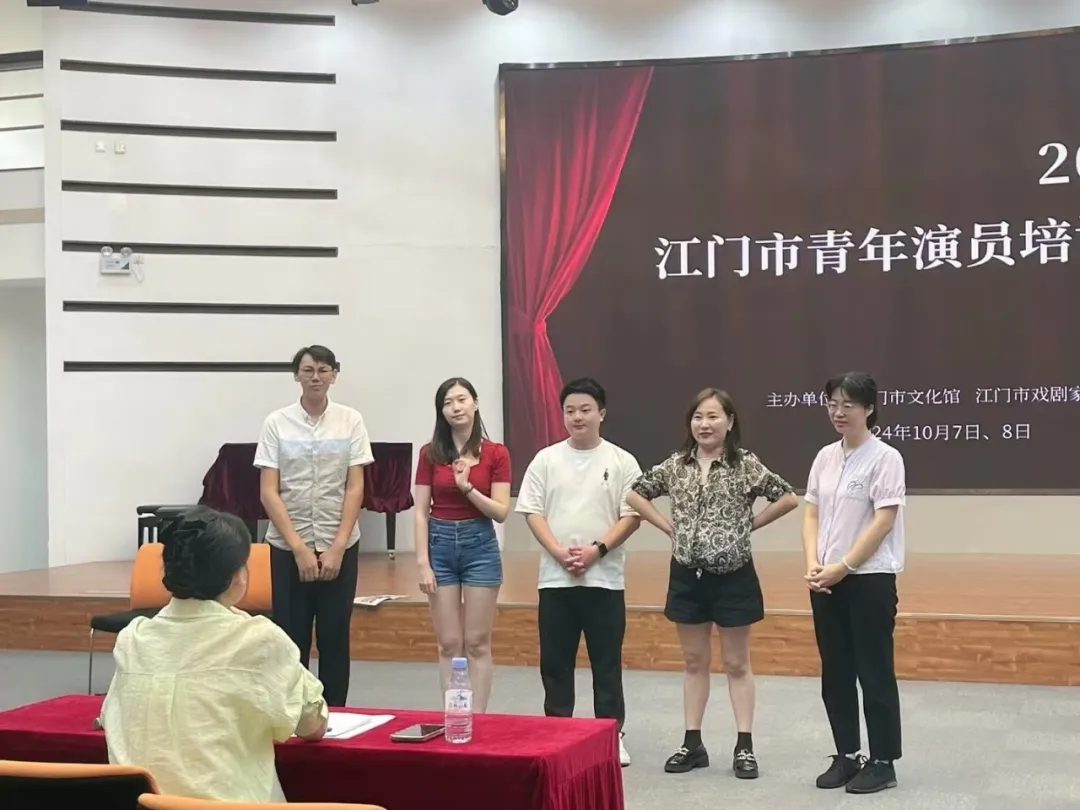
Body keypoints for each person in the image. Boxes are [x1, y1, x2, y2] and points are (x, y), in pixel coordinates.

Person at [101, 507, 328, 802]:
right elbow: (313, 724)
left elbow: (110, 717)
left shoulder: (134, 638)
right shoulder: (257, 639)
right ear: (236, 577)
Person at [627, 388, 797, 779]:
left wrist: (748, 526)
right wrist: (668, 527)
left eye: (713, 416)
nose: (704, 424)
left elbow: (787, 497)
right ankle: (692, 743)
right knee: (693, 662)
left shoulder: (745, 464)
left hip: (734, 577)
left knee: (736, 663)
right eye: (698, 417)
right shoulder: (677, 465)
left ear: (730, 422)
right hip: (687, 577)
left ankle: (744, 746)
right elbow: (636, 494)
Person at [516, 378, 642, 767]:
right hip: (556, 580)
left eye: (585, 409)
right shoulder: (545, 459)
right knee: (555, 664)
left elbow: (632, 516)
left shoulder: (622, 461)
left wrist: (596, 550)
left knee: (607, 664)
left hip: (604, 580)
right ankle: (557, 735)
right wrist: (558, 552)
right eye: (569, 410)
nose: (577, 417)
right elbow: (532, 511)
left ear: (601, 413)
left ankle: (611, 735)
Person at [803, 372, 906, 795]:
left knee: (873, 670)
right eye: (832, 404)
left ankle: (883, 761)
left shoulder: (886, 458)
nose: (839, 412)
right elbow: (811, 512)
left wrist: (843, 565)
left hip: (868, 579)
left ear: (869, 408)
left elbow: (883, 521)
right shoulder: (825, 456)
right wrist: (813, 562)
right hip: (826, 579)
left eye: (848, 404)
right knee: (836, 671)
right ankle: (847, 754)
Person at [255, 345, 374, 707]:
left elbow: (355, 487)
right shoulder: (276, 422)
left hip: (339, 544)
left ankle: (336, 714)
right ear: (297, 375)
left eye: (323, 370)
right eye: (308, 370)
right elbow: (269, 492)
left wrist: (337, 547)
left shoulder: (351, 420)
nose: (316, 377)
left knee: (335, 636)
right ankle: (294, 713)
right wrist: (299, 548)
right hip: (288, 547)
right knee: (291, 638)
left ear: (334, 375)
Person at [414, 377, 511, 712]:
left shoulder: (496, 453)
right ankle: (455, 715)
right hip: (439, 545)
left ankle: (478, 719)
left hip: (479, 545)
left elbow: (500, 512)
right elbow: (420, 512)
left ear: (475, 403)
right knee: (449, 642)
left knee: (477, 642)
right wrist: (423, 563)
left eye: (461, 400)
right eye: (447, 403)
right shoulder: (430, 453)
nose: (455, 408)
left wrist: (467, 488)